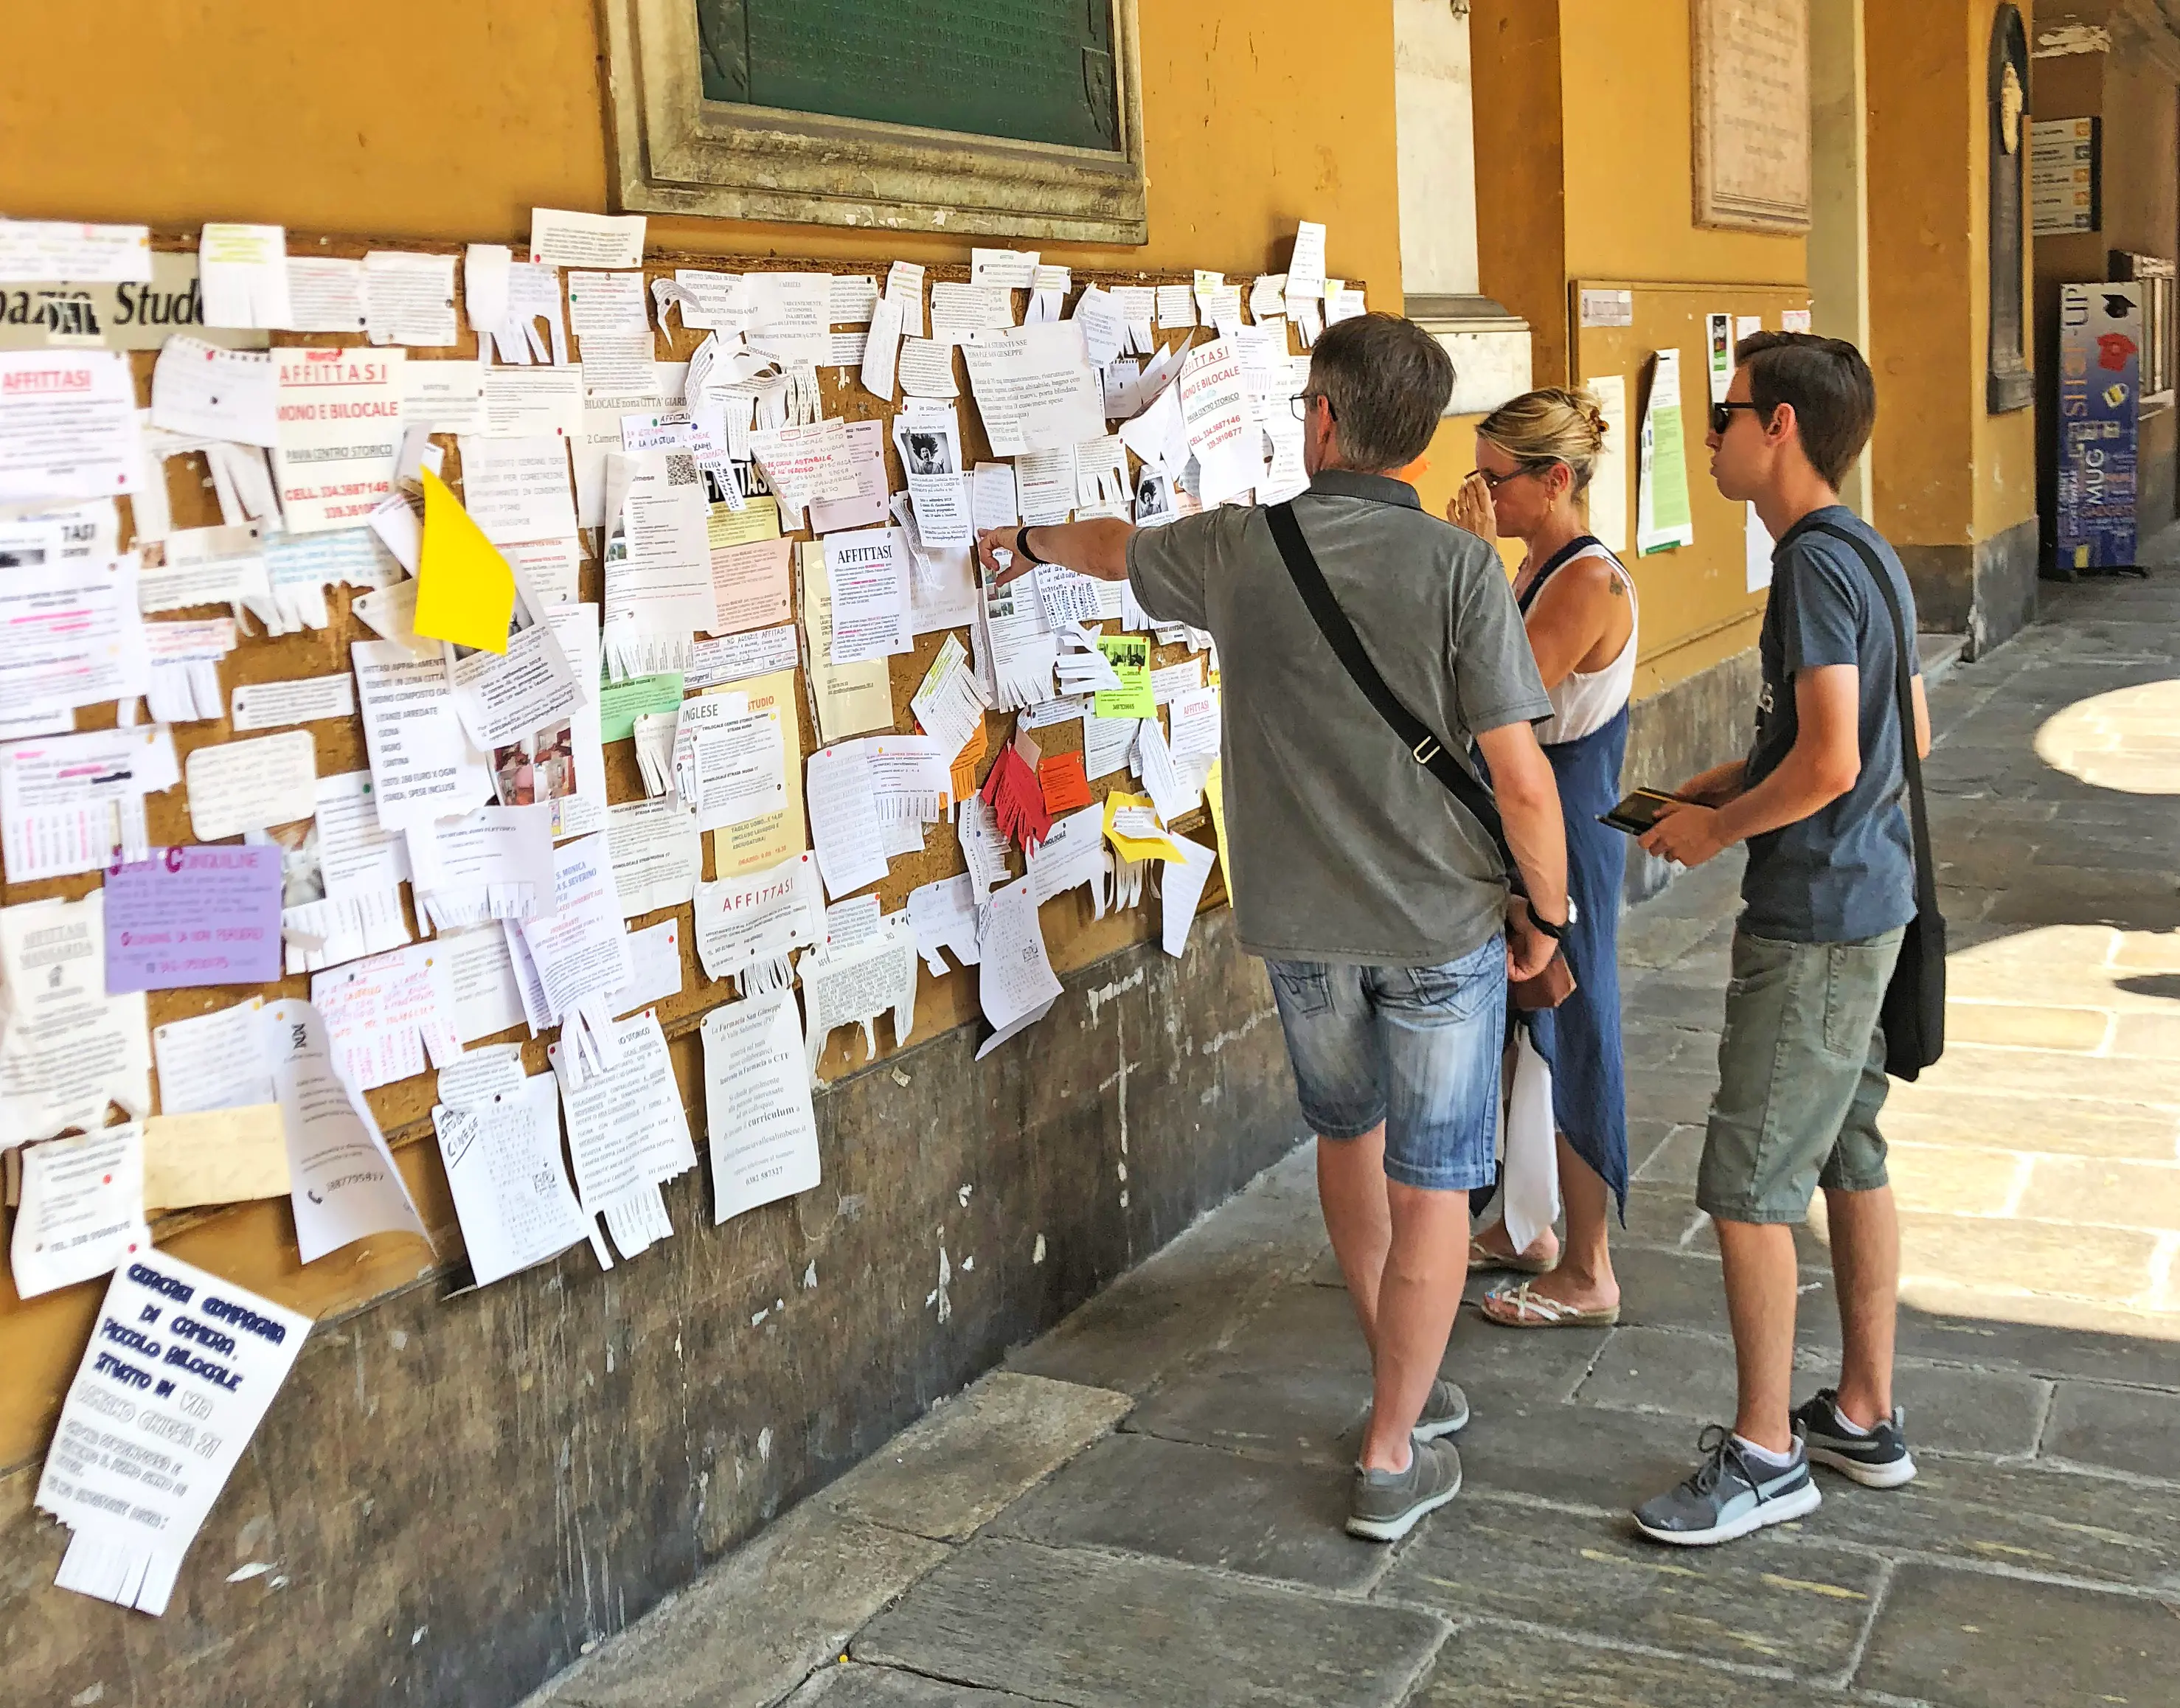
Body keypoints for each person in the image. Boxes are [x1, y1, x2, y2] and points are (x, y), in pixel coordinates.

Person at [973, 313, 1571, 1544]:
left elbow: (1110, 548)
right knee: (1436, 1185)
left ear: (1327, 421)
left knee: (1347, 1140)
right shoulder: (1462, 570)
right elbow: (1520, 779)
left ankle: (1394, 1374)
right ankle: (1392, 1442)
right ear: (1413, 441)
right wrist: (1549, 919)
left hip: (1302, 927)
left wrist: (1022, 540)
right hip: (1438, 929)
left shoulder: (1246, 549)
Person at [1630, 332, 1931, 1546]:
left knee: (1749, 1187)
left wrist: (1721, 833)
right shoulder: (1865, 552)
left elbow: (1833, 758)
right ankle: (1861, 1410)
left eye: (1724, 411)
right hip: (1871, 901)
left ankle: (1765, 1454)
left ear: (1783, 427)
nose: (1709, 434)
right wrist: (1707, 792)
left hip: (1813, 919)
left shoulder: (1810, 564)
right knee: (1848, 1152)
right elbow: (1898, 727)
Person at [1448, 388, 1634, 1329]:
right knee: (1523, 1034)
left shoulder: (1584, 582)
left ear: (1554, 480)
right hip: (1524, 829)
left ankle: (1589, 1268)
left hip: (1567, 832)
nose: (1480, 492)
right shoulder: (1536, 566)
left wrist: (1472, 565)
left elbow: (1496, 693)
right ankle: (1529, 1227)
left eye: (1494, 479)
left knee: (1575, 1028)